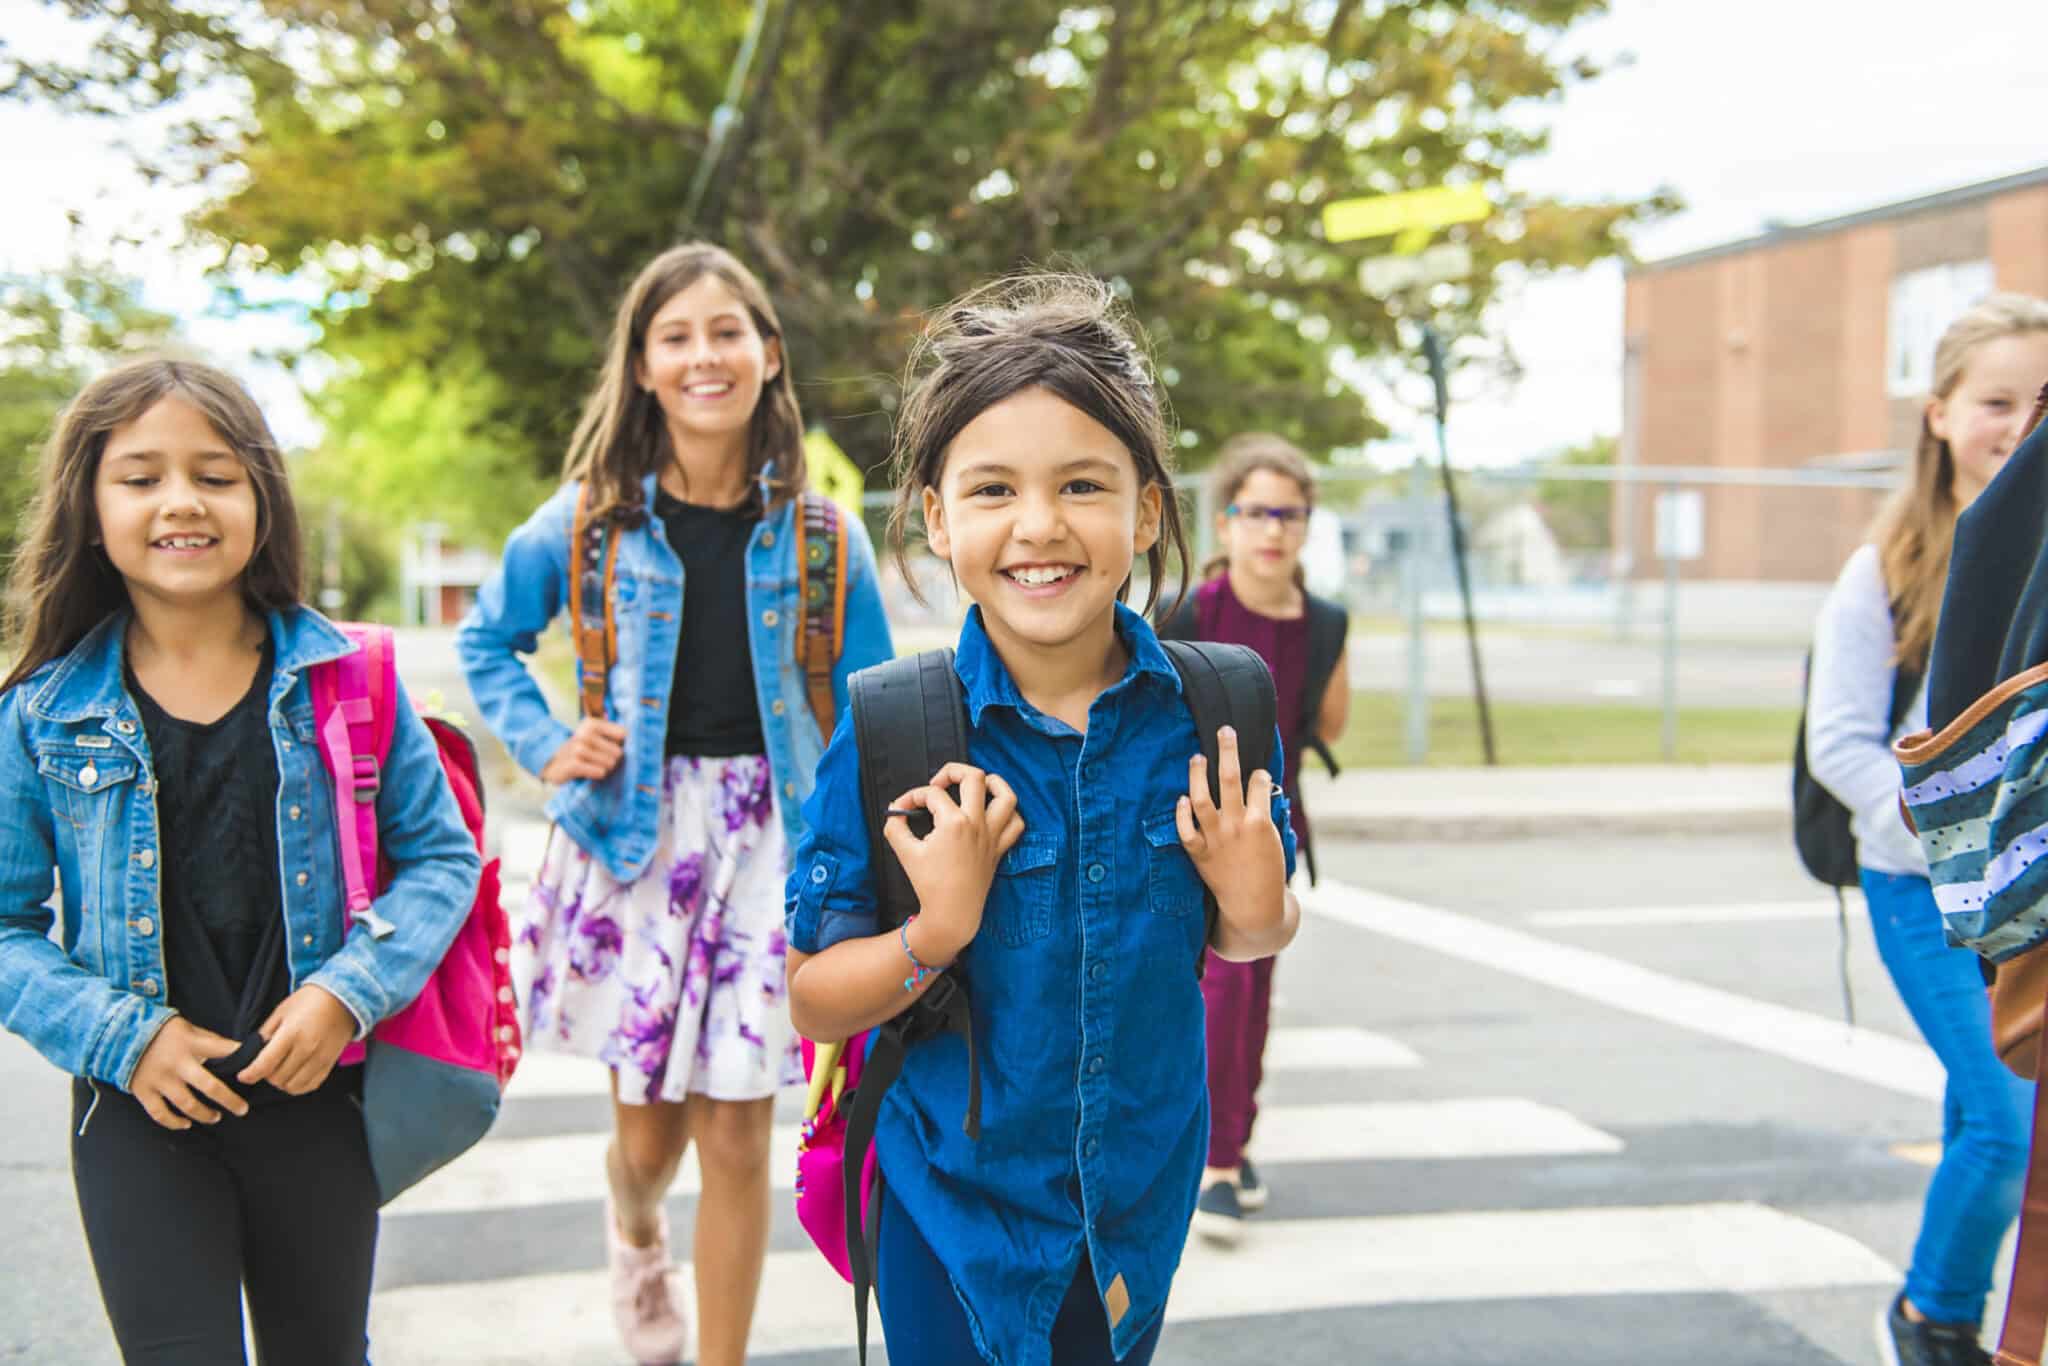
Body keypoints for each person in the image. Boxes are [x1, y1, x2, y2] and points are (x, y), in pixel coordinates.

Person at [784, 273, 1300, 1366]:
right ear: (936, 518)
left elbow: (1251, 933)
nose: (1038, 525)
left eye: (1081, 484)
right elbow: (815, 997)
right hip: (947, 1213)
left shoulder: (1216, 710)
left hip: (1133, 1215)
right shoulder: (896, 727)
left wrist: (1258, 898)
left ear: (1146, 509)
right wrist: (936, 929)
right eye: (991, 489)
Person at [457, 242, 893, 1366]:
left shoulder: (825, 537)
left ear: (768, 354)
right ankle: (637, 1225)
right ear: (644, 366)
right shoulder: (586, 523)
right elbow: (487, 638)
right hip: (634, 841)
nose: (705, 356)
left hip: (772, 845)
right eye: (677, 337)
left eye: (726, 331)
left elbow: (871, 713)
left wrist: (874, 869)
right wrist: (549, 742)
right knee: (649, 1147)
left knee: (740, 1138)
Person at [0, 358, 481, 1363]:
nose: (181, 500)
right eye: (141, 477)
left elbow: (443, 858)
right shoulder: (41, 711)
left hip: (319, 1106)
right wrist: (124, 1037)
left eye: (215, 475)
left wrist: (347, 992)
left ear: (262, 501)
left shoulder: (352, 678)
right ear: (90, 508)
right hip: (137, 1112)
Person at [1807, 292, 2048, 1366]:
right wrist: (1951, 838)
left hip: (2034, 893)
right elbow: (1840, 743)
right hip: (1924, 890)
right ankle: (1932, 1316)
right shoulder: (1886, 566)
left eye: (2037, 401)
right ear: (1938, 413)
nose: (2017, 422)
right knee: (2010, 1121)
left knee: (1986, 1114)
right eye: (1994, 400)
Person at [1160, 432, 1351, 1245]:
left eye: (1289, 514)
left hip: (1271, 829)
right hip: (1188, 825)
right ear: (1226, 521)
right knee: (1213, 991)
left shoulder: (1326, 624)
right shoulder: (1190, 612)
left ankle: (1232, 1145)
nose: (1273, 529)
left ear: (1306, 524)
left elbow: (1327, 725)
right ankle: (1212, 1159)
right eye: (1256, 512)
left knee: (1252, 991)